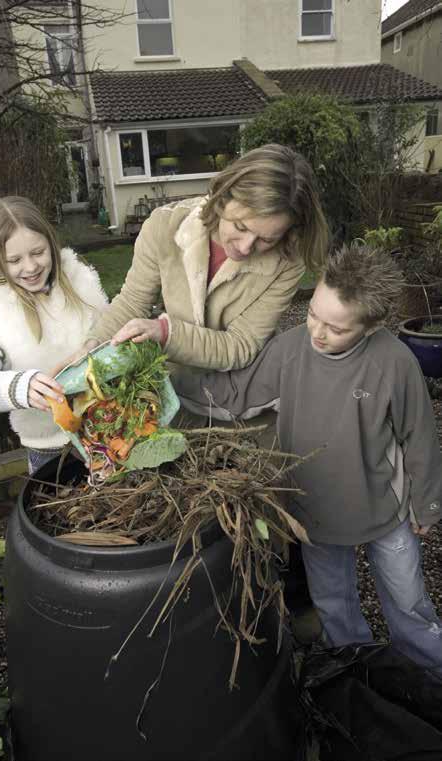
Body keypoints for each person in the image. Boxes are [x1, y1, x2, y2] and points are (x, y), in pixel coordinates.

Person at [169, 243, 442, 678]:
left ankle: (429, 669)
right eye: (313, 312)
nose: (316, 331)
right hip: (315, 510)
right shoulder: (292, 348)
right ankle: (355, 668)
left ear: (370, 328)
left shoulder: (395, 362)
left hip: (386, 510)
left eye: (335, 328)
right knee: (333, 601)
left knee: (408, 599)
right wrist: (170, 377)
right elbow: (236, 393)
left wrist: (427, 503)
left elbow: (419, 435)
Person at [67, 143, 329, 371]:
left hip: (245, 386)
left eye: (267, 239)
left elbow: (241, 346)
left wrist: (165, 333)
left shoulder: (289, 260)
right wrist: (93, 344)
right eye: (240, 227)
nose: (247, 247)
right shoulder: (164, 226)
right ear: (222, 197)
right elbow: (132, 303)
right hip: (174, 381)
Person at [0, 196, 108, 473]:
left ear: (50, 242)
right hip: (49, 452)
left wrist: (97, 343)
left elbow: (110, 329)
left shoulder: (80, 278)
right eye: (14, 260)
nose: (30, 267)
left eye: (38, 252)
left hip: (109, 431)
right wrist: (21, 387)